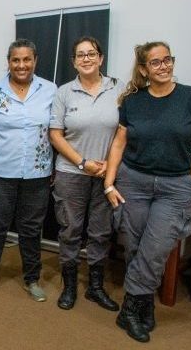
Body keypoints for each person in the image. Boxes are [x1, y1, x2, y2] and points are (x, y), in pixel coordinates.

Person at [104, 41, 191, 343]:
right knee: (135, 246)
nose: (164, 66)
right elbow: (119, 142)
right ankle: (144, 306)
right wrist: (109, 182)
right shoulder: (133, 101)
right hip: (133, 182)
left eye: (168, 60)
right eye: (156, 62)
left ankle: (129, 307)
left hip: (175, 185)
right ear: (143, 69)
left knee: (155, 249)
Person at [0, 39, 56, 302]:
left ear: (35, 61)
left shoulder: (50, 90)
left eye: (26, 59)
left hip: (37, 172)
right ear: (8, 62)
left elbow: (58, 130)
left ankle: (32, 279)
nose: (21, 65)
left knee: (31, 228)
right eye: (16, 60)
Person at [48, 36, 123, 311]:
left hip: (107, 174)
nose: (87, 59)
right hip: (71, 172)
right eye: (80, 55)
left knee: (101, 232)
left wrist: (107, 167)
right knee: (70, 230)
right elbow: (55, 135)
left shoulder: (119, 89)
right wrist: (82, 163)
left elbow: (123, 133)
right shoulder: (64, 92)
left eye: (91, 54)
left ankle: (95, 287)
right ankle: (69, 286)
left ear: (101, 58)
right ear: (74, 62)